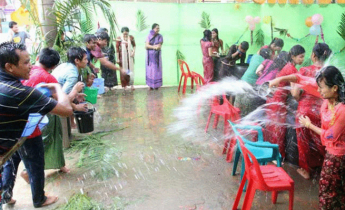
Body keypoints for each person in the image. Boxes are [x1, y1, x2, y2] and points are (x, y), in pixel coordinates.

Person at [2, 48, 83, 207]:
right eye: (26, 62)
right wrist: (58, 87)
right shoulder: (28, 88)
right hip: (28, 132)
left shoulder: (11, 81)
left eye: (30, 61)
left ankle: (5, 195)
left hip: (12, 138)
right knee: (36, 165)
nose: (29, 66)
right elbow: (65, 109)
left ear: (39, 58)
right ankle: (39, 198)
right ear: (9, 67)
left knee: (10, 163)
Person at [269, 66, 345, 210]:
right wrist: (279, 79)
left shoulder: (342, 109)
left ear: (334, 88)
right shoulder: (327, 94)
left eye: (322, 88)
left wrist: (309, 125)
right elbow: (299, 78)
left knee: (328, 191)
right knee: (333, 190)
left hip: (338, 156)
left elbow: (330, 135)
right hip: (331, 151)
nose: (319, 90)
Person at [290, 43, 331, 179]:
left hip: (305, 110)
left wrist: (300, 100)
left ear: (313, 55)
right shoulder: (329, 72)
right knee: (323, 139)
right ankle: (328, 167)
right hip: (323, 110)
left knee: (304, 141)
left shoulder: (304, 70)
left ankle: (306, 171)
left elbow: (295, 93)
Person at [264, 45, 305, 158]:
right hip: (278, 101)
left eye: (303, 57)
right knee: (278, 130)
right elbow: (294, 93)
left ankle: (270, 152)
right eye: (301, 57)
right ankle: (276, 156)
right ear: (293, 56)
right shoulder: (292, 69)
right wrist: (302, 101)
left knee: (272, 128)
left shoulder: (288, 66)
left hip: (273, 98)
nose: (302, 59)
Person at [52, 47, 89, 128]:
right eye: (85, 59)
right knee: (74, 100)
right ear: (77, 61)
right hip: (53, 100)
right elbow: (62, 98)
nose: (87, 61)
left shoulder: (64, 65)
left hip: (53, 94)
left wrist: (76, 94)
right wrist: (76, 107)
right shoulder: (73, 74)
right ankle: (69, 127)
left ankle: (71, 124)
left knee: (75, 97)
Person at [116, 27, 136, 92]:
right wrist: (118, 58)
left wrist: (133, 52)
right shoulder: (119, 39)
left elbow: (134, 45)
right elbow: (117, 49)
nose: (125, 35)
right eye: (124, 34)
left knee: (130, 71)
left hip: (129, 57)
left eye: (126, 34)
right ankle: (125, 85)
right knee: (124, 71)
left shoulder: (131, 38)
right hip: (122, 57)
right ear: (122, 33)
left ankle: (131, 84)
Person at [145, 23, 163, 90]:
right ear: (153, 29)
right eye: (157, 28)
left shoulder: (160, 36)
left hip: (157, 56)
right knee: (150, 70)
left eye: (158, 28)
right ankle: (150, 85)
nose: (158, 29)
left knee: (156, 70)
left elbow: (159, 46)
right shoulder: (149, 35)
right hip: (150, 56)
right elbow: (146, 45)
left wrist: (155, 47)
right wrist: (153, 47)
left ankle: (157, 85)